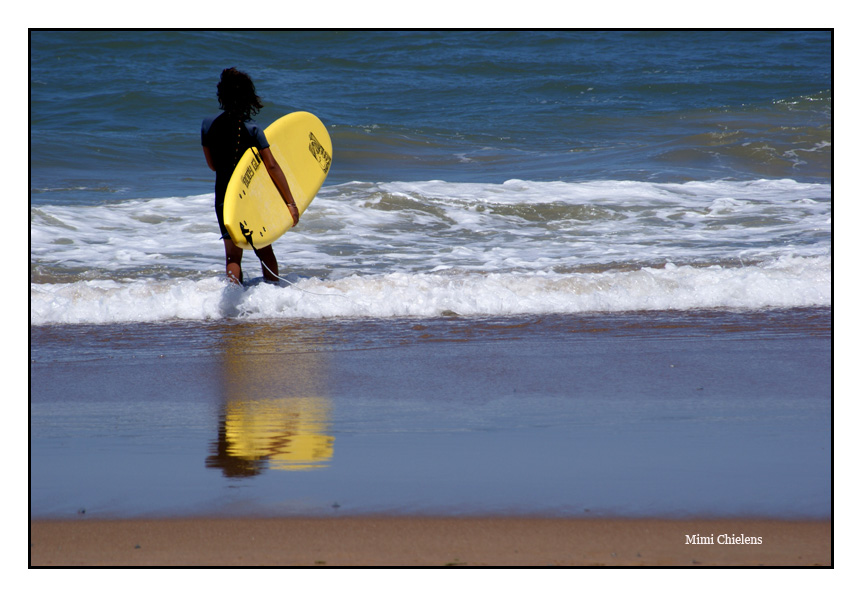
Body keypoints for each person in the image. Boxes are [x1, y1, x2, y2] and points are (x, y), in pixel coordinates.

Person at [202, 67, 299, 285]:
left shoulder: (208, 125)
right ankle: (273, 294)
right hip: (251, 199)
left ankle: (233, 304)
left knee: (233, 256)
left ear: (222, 95)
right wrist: (290, 203)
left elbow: (213, 166)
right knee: (265, 252)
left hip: (224, 199)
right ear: (247, 96)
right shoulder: (253, 129)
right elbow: (272, 166)